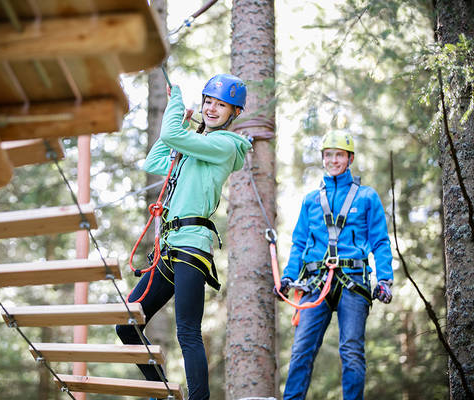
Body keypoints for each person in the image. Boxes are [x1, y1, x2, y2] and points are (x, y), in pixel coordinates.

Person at [116, 74, 252, 400]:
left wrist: (175, 99)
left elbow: (171, 132)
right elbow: (154, 159)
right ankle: (160, 391)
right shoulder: (192, 148)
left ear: (234, 113)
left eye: (221, 105)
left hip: (192, 245)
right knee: (127, 325)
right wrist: (186, 122)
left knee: (187, 331)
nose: (212, 108)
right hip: (168, 247)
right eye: (208, 102)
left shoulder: (223, 145)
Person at [276, 130, 394, 400]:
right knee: (301, 350)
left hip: (353, 281)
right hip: (315, 283)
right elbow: (298, 243)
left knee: (351, 351)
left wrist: (385, 280)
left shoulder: (367, 197)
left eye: (339, 155)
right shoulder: (310, 200)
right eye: (328, 155)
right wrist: (287, 277)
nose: (333, 160)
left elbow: (380, 242)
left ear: (349, 158)